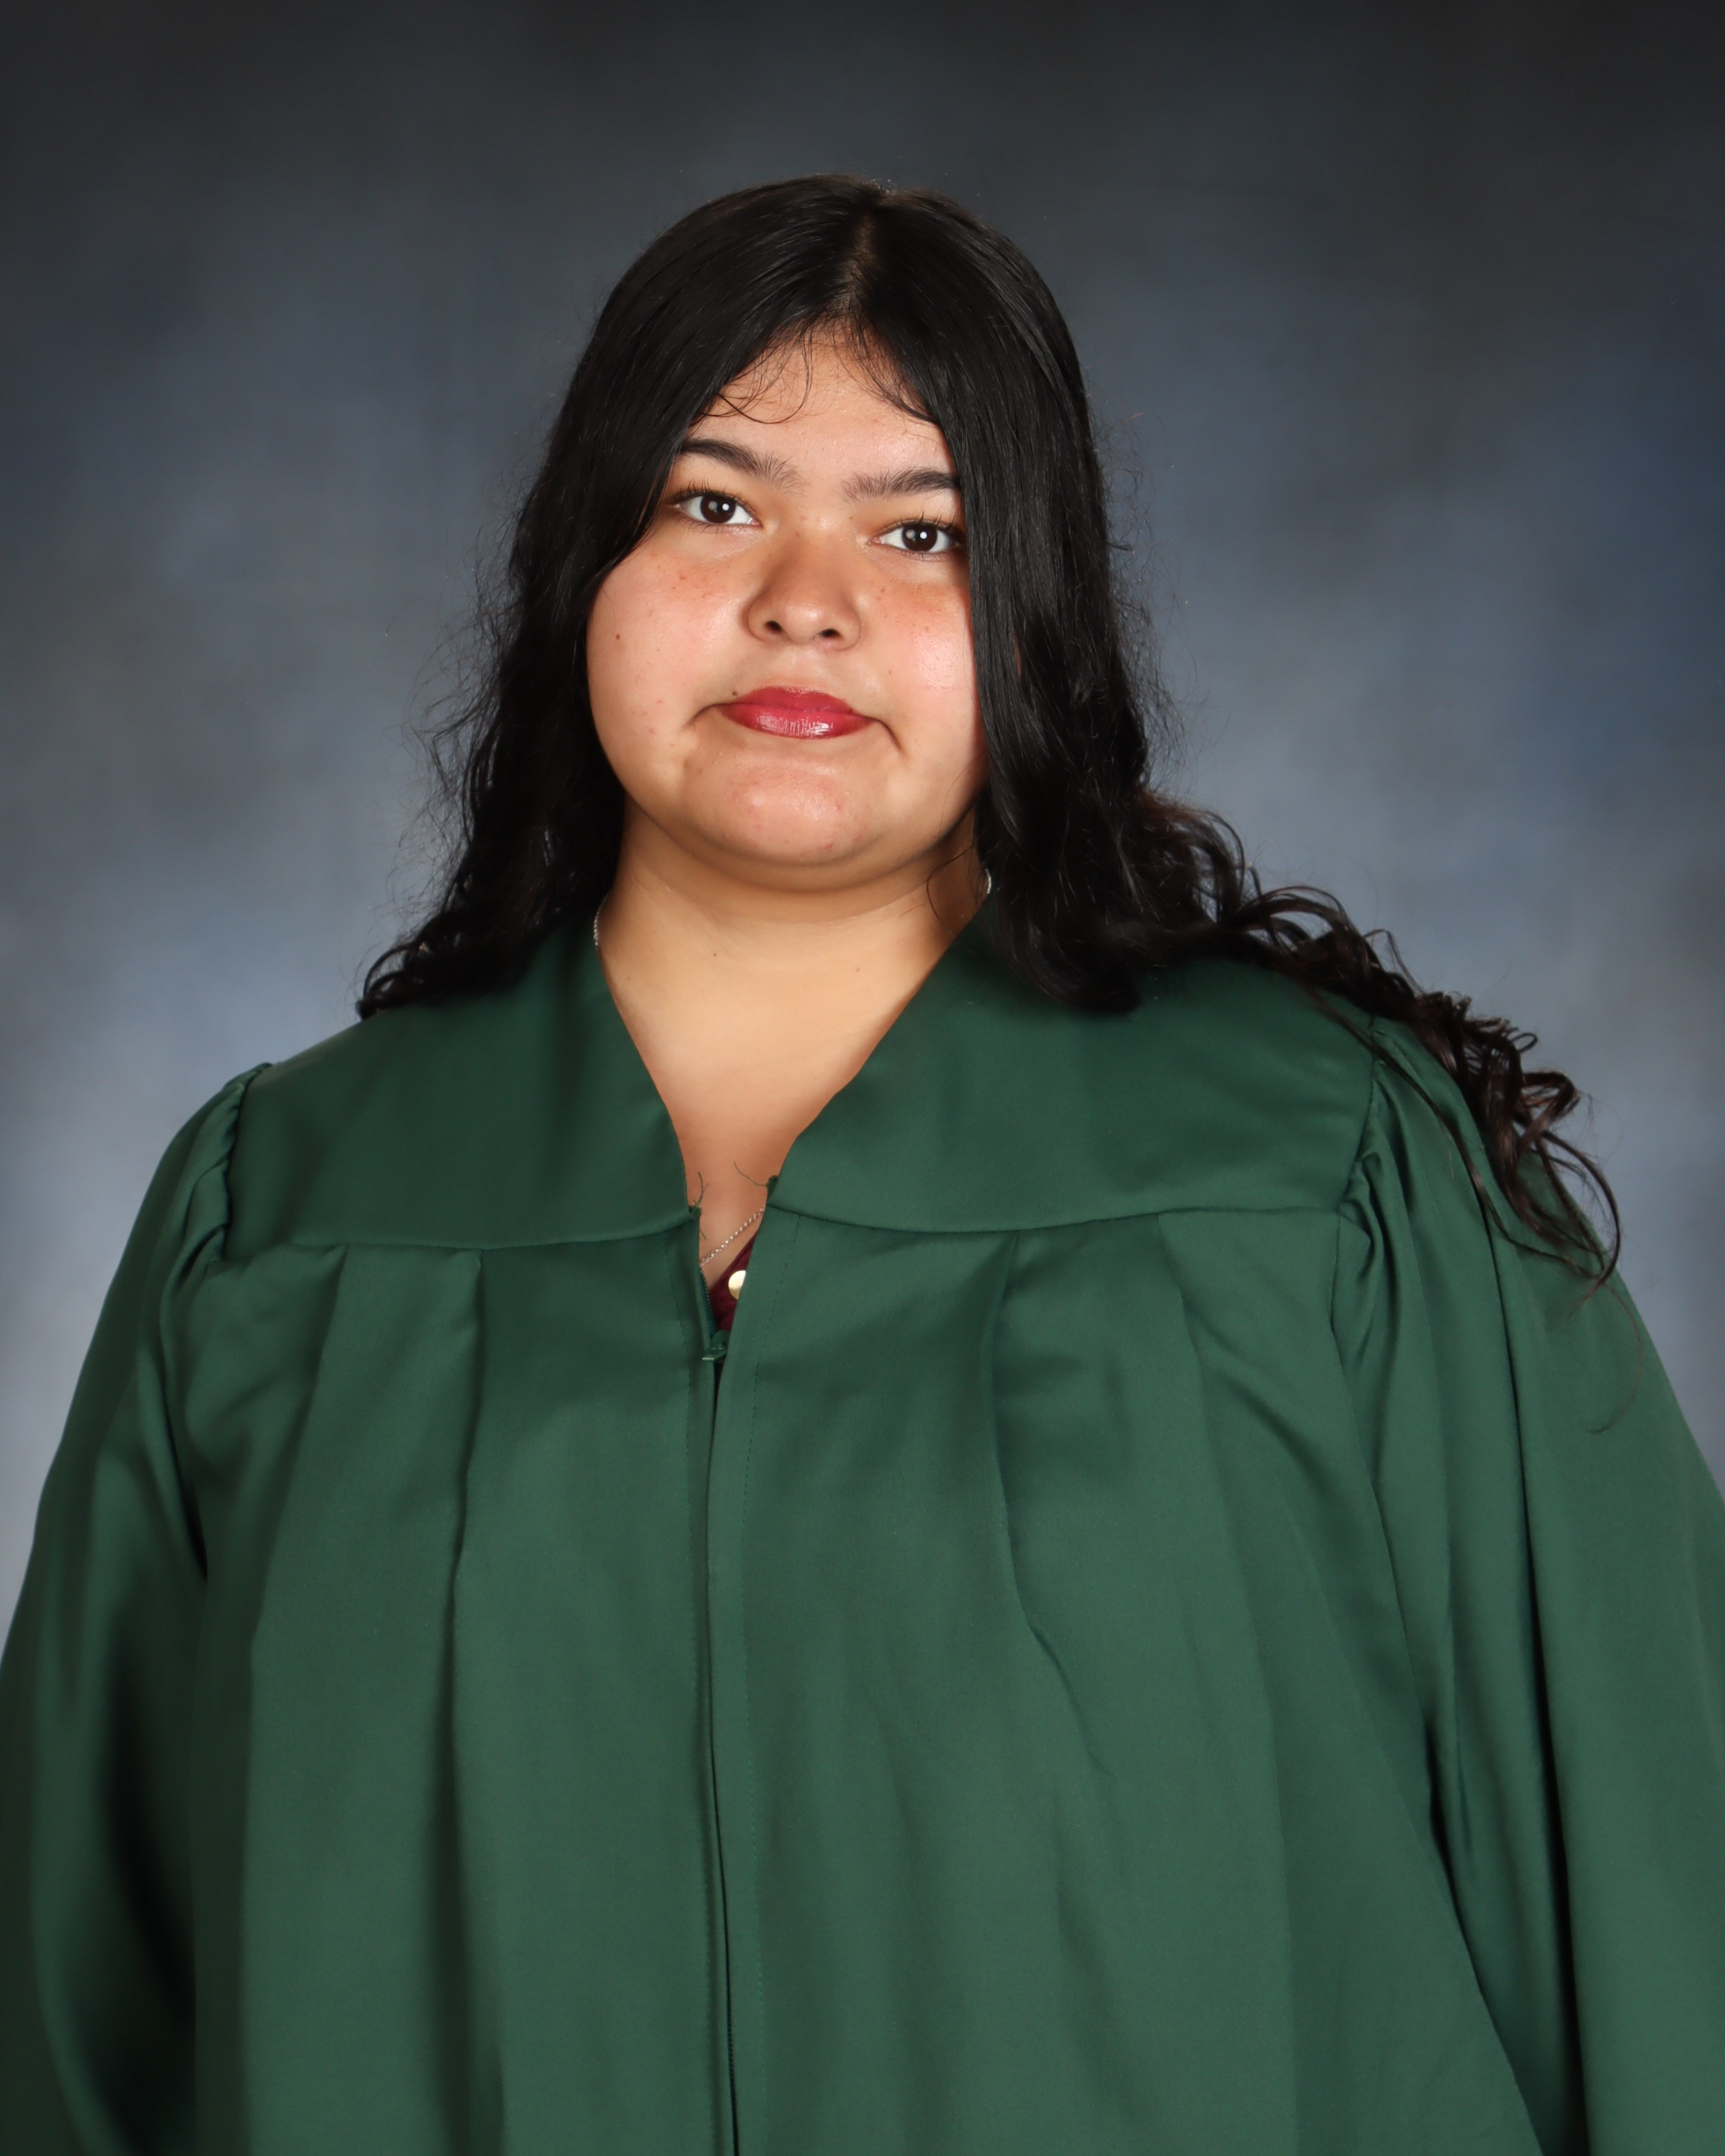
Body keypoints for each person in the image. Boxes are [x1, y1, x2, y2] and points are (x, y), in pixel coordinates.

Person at [2, 174, 1720, 2156]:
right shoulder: (286, 1215)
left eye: (921, 531)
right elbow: (74, 2030)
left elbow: (1661, 1935)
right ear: (583, 566)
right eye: (711, 502)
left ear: (1036, 617)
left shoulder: (1329, 1180)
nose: (803, 599)